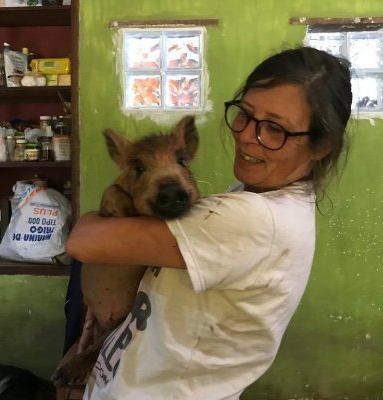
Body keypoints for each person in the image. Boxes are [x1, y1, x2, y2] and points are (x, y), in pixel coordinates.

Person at [66, 46, 352, 400]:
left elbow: (83, 241)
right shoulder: (258, 198)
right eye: (245, 115)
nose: (248, 135)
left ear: (322, 145)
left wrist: (115, 198)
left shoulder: (252, 219)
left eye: (275, 128)